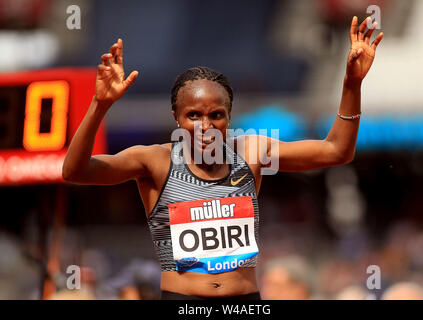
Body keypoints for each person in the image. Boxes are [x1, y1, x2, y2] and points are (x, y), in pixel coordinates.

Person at [62, 17, 383, 300]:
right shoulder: (154, 161)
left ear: (229, 116)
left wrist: (351, 84)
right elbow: (75, 171)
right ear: (176, 117)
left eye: (216, 114)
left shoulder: (252, 152)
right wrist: (100, 105)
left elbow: (336, 151)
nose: (205, 125)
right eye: (193, 115)